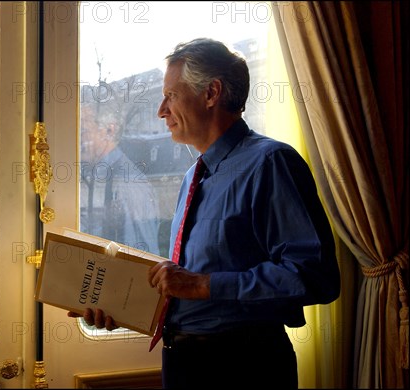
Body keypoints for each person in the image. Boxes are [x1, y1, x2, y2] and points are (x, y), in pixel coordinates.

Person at [70, 37, 342, 389]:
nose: (160, 110)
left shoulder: (271, 163)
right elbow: (189, 290)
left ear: (211, 93)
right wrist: (120, 308)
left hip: (243, 369)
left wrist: (201, 285)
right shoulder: (192, 177)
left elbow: (315, 277)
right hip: (184, 365)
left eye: (170, 95)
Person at [79, 105, 160, 255]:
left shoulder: (128, 182)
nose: (78, 138)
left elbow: (141, 257)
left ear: (109, 131)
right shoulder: (94, 175)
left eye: (83, 129)